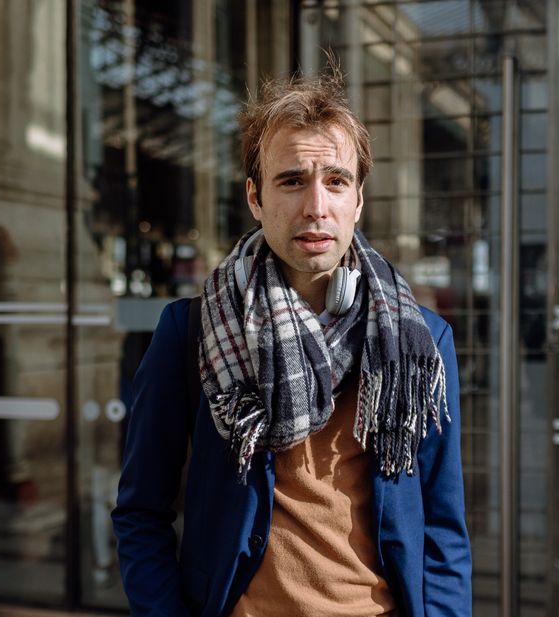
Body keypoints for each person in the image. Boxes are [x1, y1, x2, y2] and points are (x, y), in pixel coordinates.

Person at [112, 64, 472, 617]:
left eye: (335, 180)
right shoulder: (192, 332)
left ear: (358, 200)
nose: (315, 206)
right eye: (291, 180)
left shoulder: (420, 341)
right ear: (255, 197)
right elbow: (140, 512)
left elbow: (442, 530)